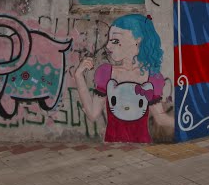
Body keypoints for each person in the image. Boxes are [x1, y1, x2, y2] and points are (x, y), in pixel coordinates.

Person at [73, 14, 172, 143]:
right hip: (113, 147)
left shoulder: (152, 77)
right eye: (109, 40)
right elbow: (92, 114)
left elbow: (160, 118)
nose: (108, 46)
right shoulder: (106, 72)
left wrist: (185, 124)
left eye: (115, 40)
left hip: (142, 149)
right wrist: (78, 75)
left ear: (137, 40)